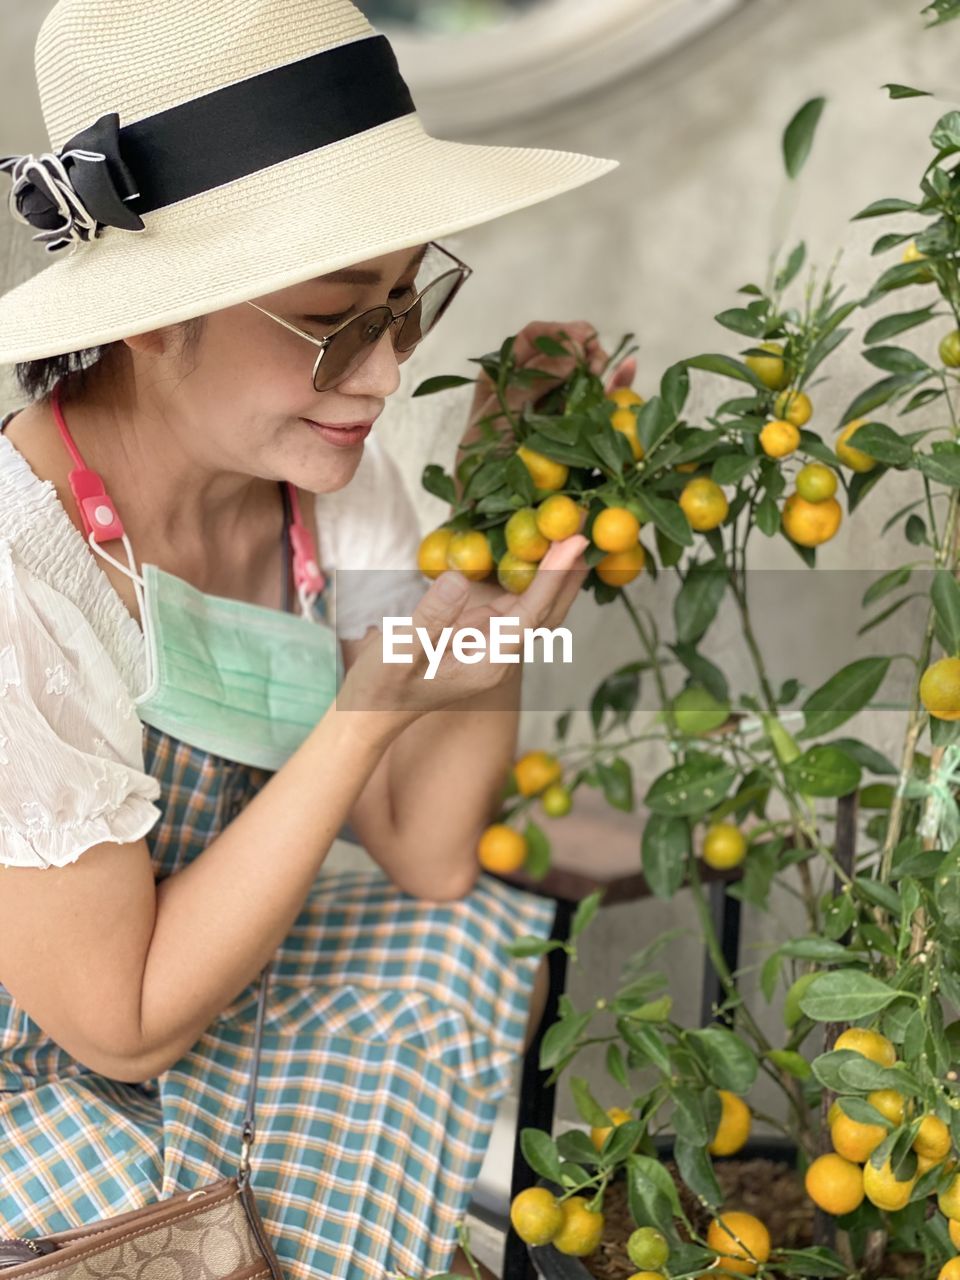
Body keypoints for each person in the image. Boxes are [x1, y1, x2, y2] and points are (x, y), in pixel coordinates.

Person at [0, 1, 632, 1278]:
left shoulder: (326, 485)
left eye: (409, 302)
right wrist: (362, 717)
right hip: (53, 1059)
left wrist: (499, 542)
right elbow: (118, 1024)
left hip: (195, 989)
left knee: (470, 940)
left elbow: (431, 849)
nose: (387, 371)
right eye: (336, 315)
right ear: (150, 314)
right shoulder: (24, 577)